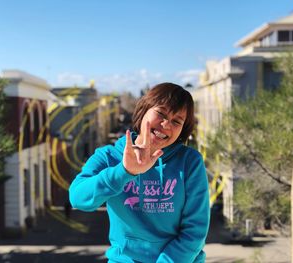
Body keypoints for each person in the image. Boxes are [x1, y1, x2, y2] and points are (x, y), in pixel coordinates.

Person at [69, 82, 210, 263]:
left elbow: (195, 230)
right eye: (161, 113)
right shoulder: (109, 156)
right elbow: (78, 198)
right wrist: (124, 171)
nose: (166, 125)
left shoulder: (190, 162)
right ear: (143, 110)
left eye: (177, 121)